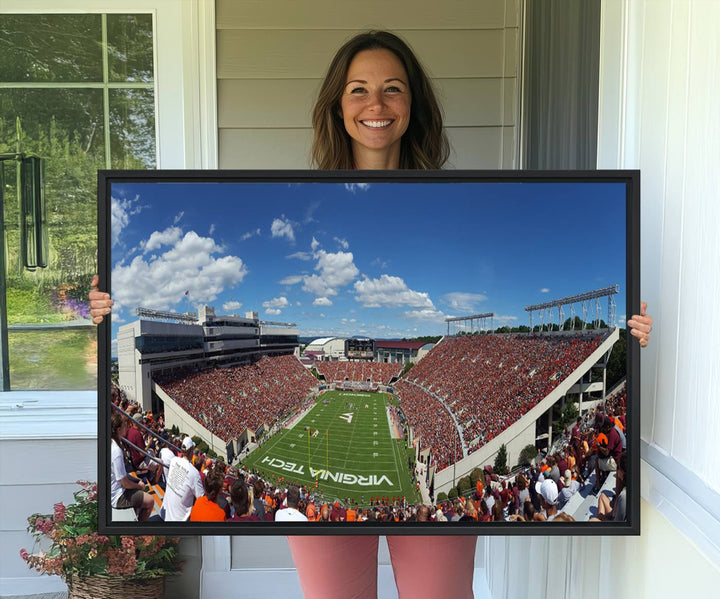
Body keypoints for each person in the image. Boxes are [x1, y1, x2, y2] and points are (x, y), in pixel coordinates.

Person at [91, 29, 654, 599]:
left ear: (414, 105)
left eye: (393, 89)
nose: (376, 104)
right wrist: (104, 308)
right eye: (358, 89)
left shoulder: (452, 199)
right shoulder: (301, 193)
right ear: (338, 105)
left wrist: (630, 337)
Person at [109, 412, 155, 522]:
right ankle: (139, 531)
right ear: (119, 429)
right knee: (150, 501)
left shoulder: (113, 443)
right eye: (124, 425)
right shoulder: (116, 451)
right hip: (118, 496)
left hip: (116, 489)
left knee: (139, 483)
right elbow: (124, 483)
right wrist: (139, 486)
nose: (127, 427)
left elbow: (122, 475)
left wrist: (136, 481)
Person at [162, 436, 204, 521]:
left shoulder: (174, 460)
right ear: (191, 451)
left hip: (165, 514)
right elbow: (201, 499)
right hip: (180, 520)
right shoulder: (194, 473)